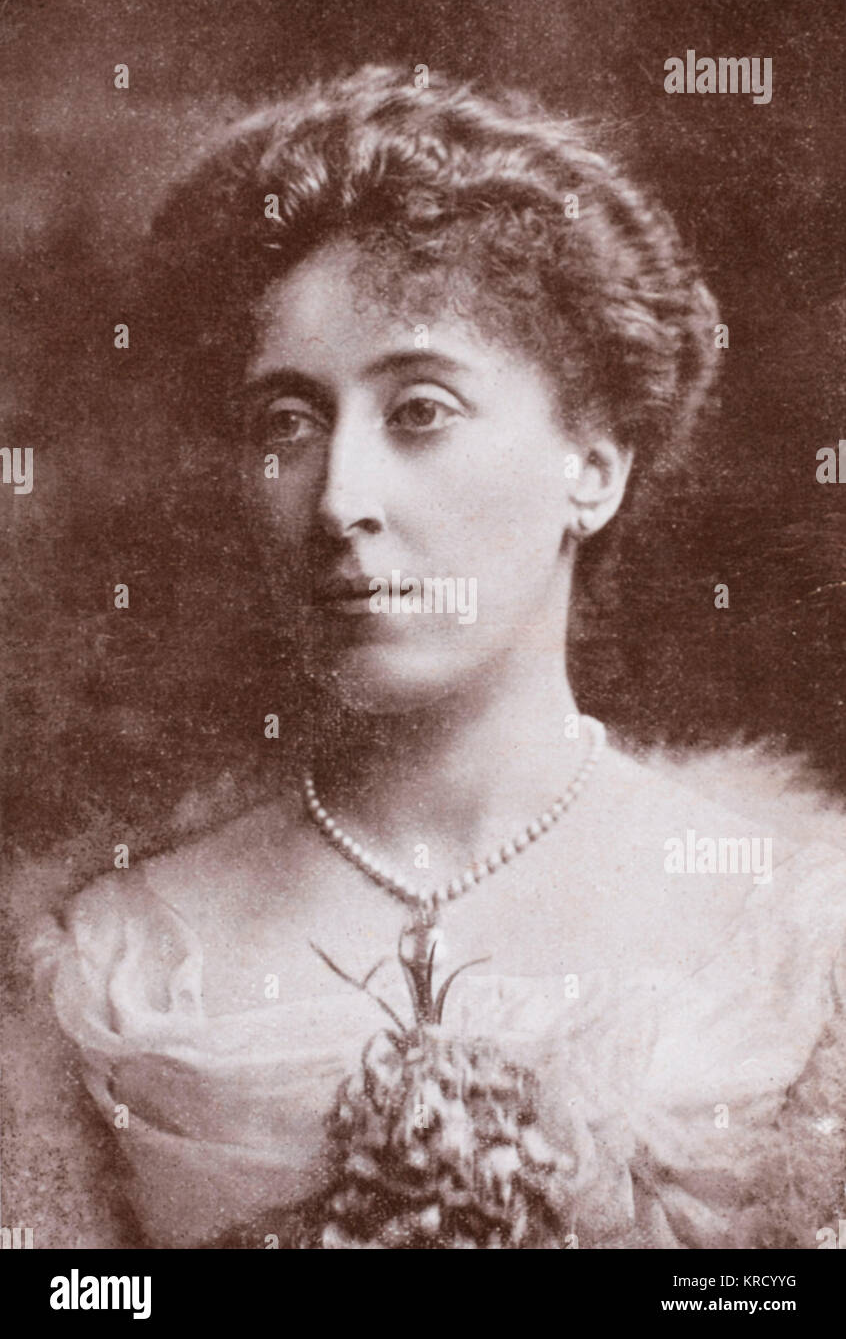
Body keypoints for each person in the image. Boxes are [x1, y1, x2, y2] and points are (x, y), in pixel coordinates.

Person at [33, 65, 845, 1249]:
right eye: (288, 422)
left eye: (419, 410)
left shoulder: (792, 928)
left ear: (593, 467)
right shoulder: (115, 960)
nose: (338, 500)